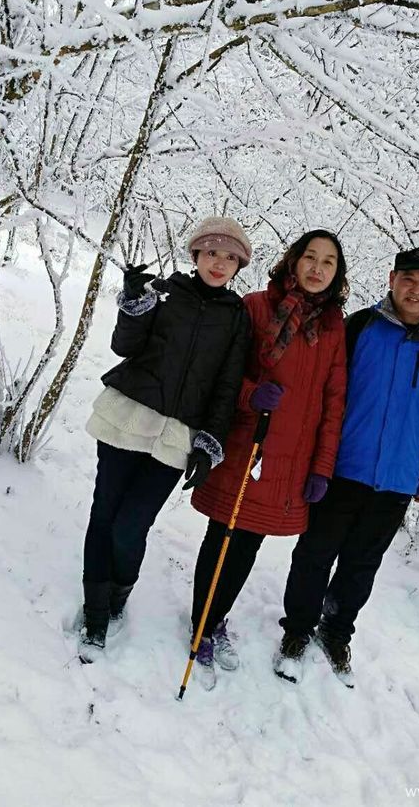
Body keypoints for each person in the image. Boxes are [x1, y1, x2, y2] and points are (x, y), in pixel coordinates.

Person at [276, 247, 419, 686]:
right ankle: (297, 631)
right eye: (409, 280)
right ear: (392, 278)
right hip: (343, 468)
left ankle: (337, 632)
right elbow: (327, 393)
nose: (416, 290)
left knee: (362, 565)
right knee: (314, 555)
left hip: (397, 480)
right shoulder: (359, 326)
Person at [78, 217, 252, 662]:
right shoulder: (165, 292)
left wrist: (210, 441)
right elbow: (124, 346)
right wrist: (134, 301)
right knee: (104, 515)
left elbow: (227, 386)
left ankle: (120, 591)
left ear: (238, 266)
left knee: (133, 523)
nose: (219, 263)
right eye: (212, 253)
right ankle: (97, 610)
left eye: (230, 257)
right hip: (128, 416)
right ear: (195, 255)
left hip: (176, 435)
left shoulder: (236, 318)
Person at [188, 230, 348, 689]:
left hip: (291, 459)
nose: (317, 269)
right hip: (247, 443)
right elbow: (222, 373)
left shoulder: (334, 327)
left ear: (337, 274)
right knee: (222, 534)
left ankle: (216, 619)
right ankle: (202, 622)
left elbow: (334, 401)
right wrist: (250, 394)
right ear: (294, 261)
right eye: (310, 258)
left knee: (249, 543)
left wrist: (322, 467)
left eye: (329, 263)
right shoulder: (257, 306)